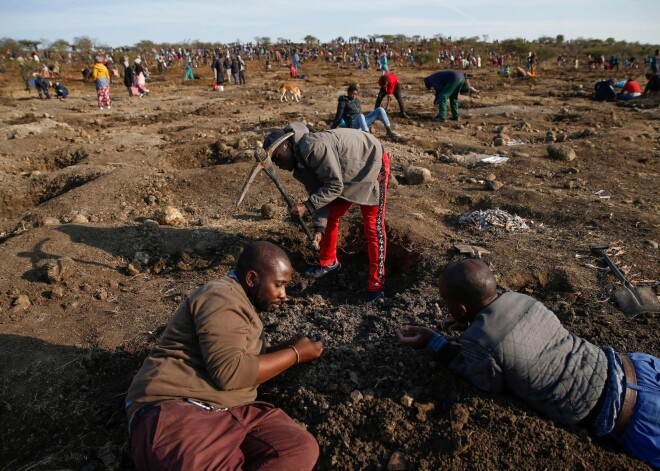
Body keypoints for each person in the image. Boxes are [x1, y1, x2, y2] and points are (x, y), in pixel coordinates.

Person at [397, 258, 659, 468]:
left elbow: (486, 383)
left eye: (447, 302)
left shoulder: (479, 342)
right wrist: (472, 322)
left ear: (462, 309)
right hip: (635, 367)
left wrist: (436, 344)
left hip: (635, 417)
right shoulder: (524, 300)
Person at [126, 241, 322, 470]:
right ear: (251, 279)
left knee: (297, 447)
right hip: (178, 408)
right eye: (278, 285)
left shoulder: (241, 302)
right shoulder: (222, 297)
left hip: (230, 411)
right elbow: (231, 373)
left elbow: (234, 358)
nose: (283, 295)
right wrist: (295, 354)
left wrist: (283, 350)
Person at [264, 122, 390, 301]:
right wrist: (319, 229)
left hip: (370, 161)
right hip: (346, 173)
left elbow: (334, 186)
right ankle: (328, 261)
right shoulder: (300, 166)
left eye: (277, 157)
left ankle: (377, 285)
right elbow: (320, 196)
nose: (277, 164)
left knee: (372, 226)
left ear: (286, 145)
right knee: (330, 216)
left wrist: (306, 206)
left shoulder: (313, 147)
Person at [330, 84, 399, 138]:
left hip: (362, 122)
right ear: (348, 93)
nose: (354, 96)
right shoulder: (343, 102)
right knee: (361, 116)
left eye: (355, 94)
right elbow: (339, 115)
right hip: (353, 124)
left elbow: (360, 113)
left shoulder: (357, 101)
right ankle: (367, 135)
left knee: (380, 109)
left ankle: (389, 131)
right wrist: (332, 128)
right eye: (352, 94)